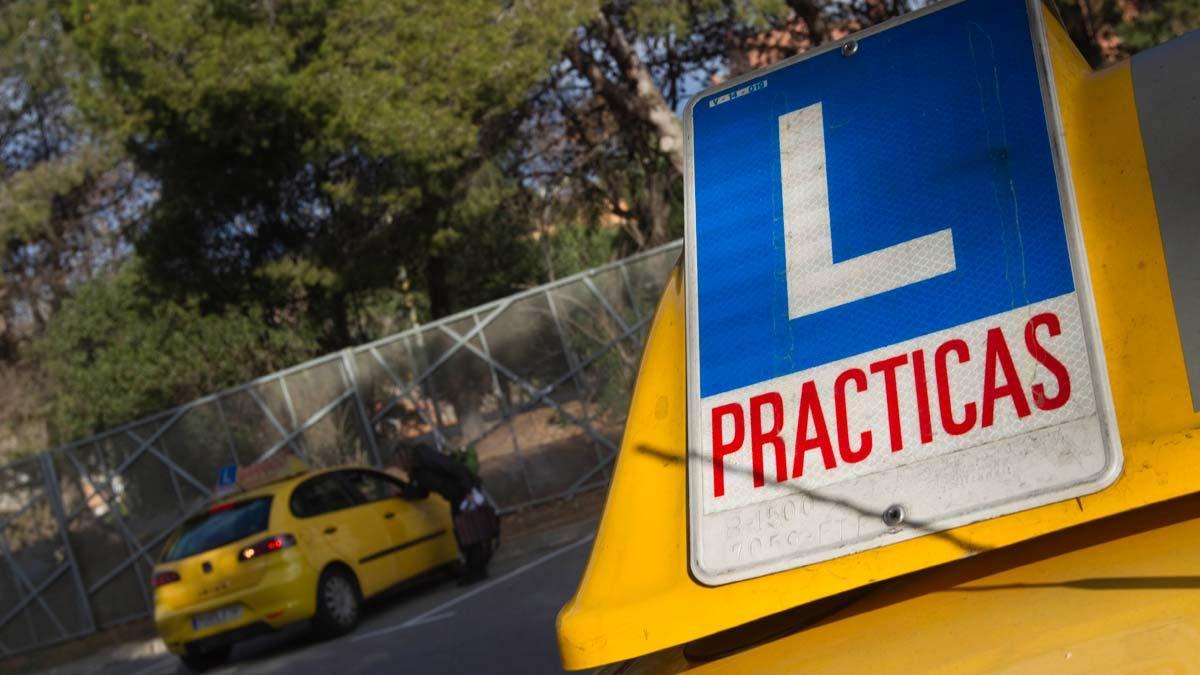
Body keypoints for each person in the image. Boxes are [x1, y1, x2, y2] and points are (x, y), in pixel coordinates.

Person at [395, 442, 496, 583]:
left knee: (469, 532)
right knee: (465, 533)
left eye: (400, 463)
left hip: (463, 492)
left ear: (405, 459)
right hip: (455, 495)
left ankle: (476, 570)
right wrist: (404, 494)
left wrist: (467, 490)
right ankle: (476, 569)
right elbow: (422, 491)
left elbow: (454, 468)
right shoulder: (417, 472)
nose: (400, 467)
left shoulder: (425, 457)